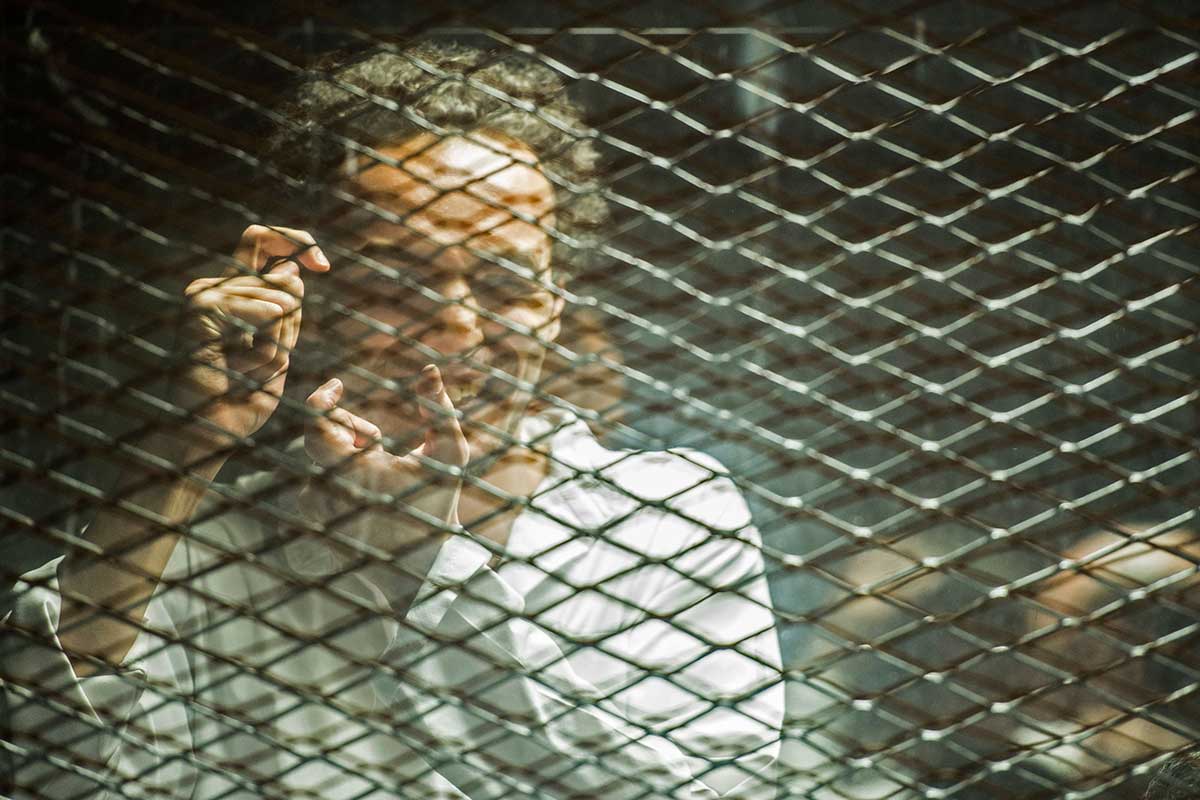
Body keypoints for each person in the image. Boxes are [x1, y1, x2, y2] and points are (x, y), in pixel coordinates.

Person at [1, 40, 785, 799]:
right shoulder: (207, 537)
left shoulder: (666, 516)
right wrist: (184, 449)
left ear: (555, 304)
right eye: (393, 279)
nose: (457, 330)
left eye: (506, 282)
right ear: (313, 295)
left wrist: (424, 562)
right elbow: (47, 771)